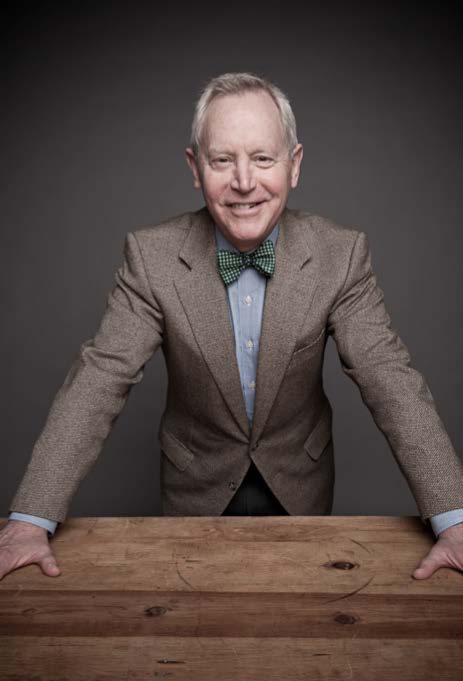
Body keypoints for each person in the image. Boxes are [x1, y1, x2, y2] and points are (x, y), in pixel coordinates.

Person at [1, 72, 462, 582]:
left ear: (294, 165)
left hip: (302, 485)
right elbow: (98, 379)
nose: (244, 182)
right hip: (193, 490)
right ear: (195, 168)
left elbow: (389, 379)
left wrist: (455, 519)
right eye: (223, 160)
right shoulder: (151, 258)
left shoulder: (341, 254)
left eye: (263, 158)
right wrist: (30, 519)